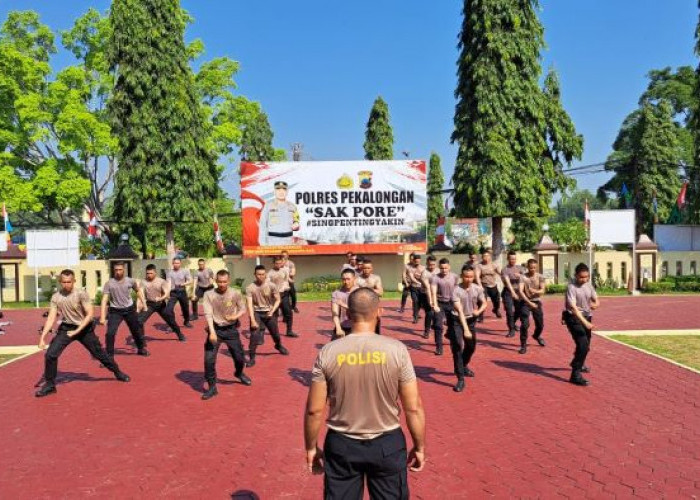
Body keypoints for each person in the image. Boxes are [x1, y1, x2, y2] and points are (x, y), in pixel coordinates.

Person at [304, 288, 426, 499]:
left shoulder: (328, 352)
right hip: (387, 443)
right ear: (379, 312)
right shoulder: (397, 350)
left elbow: (314, 410)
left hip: (342, 445)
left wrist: (311, 447)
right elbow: (413, 407)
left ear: (348, 315)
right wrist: (419, 446)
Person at [35, 269, 130, 397]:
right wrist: (42, 338)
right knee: (50, 355)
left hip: (84, 329)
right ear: (60, 282)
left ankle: (118, 372)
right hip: (67, 328)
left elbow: (90, 314)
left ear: (74, 281)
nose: (66, 284)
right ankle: (50, 386)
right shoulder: (56, 297)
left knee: (100, 355)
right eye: (64, 282)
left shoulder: (81, 294)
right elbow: (51, 318)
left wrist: (77, 330)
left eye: (69, 282)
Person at [201, 269, 252, 400]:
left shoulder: (235, 293)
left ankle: (239, 373)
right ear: (216, 281)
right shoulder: (208, 294)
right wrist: (212, 332)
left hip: (231, 330)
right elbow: (208, 314)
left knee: (240, 358)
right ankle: (212, 387)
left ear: (228, 281)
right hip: (215, 330)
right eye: (219, 281)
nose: (222, 284)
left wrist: (235, 316)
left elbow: (242, 308)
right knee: (209, 360)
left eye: (224, 282)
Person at [100, 262, 149, 358]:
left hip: (129, 310)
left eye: (120, 270)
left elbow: (138, 291)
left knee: (136, 330)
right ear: (114, 270)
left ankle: (141, 349)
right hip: (115, 311)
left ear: (124, 270)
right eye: (116, 270)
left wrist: (144, 303)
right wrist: (102, 317)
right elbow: (104, 299)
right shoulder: (109, 283)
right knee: (110, 333)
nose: (118, 272)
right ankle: (109, 356)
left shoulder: (130, 281)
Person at [563, 263, 600, 387]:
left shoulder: (588, 285)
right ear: (575, 275)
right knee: (583, 344)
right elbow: (573, 308)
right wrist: (586, 323)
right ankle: (575, 374)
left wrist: (596, 304)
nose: (584, 280)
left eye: (586, 277)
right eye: (581, 277)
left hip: (587, 317)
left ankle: (577, 362)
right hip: (573, 318)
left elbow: (596, 299)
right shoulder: (571, 287)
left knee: (585, 346)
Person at [451, 266, 486, 393]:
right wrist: (465, 330)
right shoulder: (456, 290)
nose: (469, 279)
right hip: (457, 321)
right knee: (457, 347)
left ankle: (463, 365)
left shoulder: (477, 288)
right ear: (462, 276)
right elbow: (459, 311)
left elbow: (484, 302)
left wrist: (479, 310)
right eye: (466, 277)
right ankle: (460, 378)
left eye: (471, 277)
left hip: (471, 320)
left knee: (471, 347)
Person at [245, 265, 289, 367]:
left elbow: (278, 300)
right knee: (254, 336)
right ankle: (252, 358)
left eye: (263, 274)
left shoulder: (272, 286)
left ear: (265, 275)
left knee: (276, 335)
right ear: (254, 275)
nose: (261, 276)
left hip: (269, 313)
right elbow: (249, 305)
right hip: (257, 313)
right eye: (258, 274)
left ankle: (278, 346)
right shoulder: (250, 288)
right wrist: (252, 320)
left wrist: (272, 311)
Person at [138, 264, 186, 342]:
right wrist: (142, 303)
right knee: (139, 321)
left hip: (160, 305)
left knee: (171, 321)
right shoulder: (143, 281)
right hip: (149, 304)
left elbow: (166, 294)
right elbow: (141, 293)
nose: (149, 275)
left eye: (151, 273)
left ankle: (180, 334)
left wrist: (160, 298)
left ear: (155, 273)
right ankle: (141, 340)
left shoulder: (161, 281)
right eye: (147, 273)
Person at [429, 258, 459, 357]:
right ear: (439, 268)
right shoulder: (435, 278)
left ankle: (448, 333)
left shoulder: (454, 276)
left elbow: (457, 290)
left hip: (451, 303)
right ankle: (439, 347)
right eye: (442, 268)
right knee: (438, 325)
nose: (444, 270)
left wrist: (457, 304)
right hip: (440, 303)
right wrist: (435, 305)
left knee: (452, 325)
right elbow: (433, 291)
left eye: (446, 268)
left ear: (449, 267)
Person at [518, 259, 547, 354]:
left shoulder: (540, 277)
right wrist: (529, 303)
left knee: (540, 324)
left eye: (534, 267)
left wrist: (534, 291)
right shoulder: (523, 277)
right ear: (527, 267)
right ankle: (523, 345)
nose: (533, 269)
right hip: (525, 302)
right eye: (531, 267)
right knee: (525, 324)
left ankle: (536, 336)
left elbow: (542, 290)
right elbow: (521, 292)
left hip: (537, 302)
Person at [258, 180, 300, 246]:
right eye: (278, 189)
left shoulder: (292, 207)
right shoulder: (268, 206)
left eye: (284, 190)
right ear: (274, 191)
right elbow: (262, 224)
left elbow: (296, 221)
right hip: (272, 242)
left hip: (288, 242)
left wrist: (296, 225)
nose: (281, 192)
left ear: (287, 192)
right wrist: (263, 244)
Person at [356, 259, 384, 334]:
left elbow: (380, 292)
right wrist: (373, 289)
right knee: (361, 329)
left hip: (373, 307)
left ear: (372, 268)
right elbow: (355, 293)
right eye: (365, 268)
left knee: (375, 330)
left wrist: (365, 289)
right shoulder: (357, 279)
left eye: (368, 268)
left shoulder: (376, 278)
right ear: (362, 268)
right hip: (361, 307)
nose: (366, 270)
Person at [475, 249, 502, 321]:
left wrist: (505, 278)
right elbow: (477, 276)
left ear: (490, 257)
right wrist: (480, 286)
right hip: (484, 285)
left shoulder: (494, 264)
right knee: (482, 300)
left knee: (497, 300)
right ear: (482, 257)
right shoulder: (479, 265)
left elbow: (500, 273)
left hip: (493, 285)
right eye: (484, 256)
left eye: (487, 256)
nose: (486, 258)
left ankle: (496, 310)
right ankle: (480, 316)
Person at [331, 268, 358, 338]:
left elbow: (360, 311)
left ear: (354, 278)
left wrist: (344, 305)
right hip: (342, 326)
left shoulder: (360, 292)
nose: (346, 282)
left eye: (348, 279)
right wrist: (338, 328)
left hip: (358, 327)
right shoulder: (336, 294)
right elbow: (334, 313)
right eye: (343, 279)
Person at [166, 258, 193, 328]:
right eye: (175, 263)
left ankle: (186, 321)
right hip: (173, 293)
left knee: (185, 308)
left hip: (182, 292)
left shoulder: (185, 271)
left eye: (178, 263)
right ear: (173, 263)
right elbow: (168, 283)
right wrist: (167, 293)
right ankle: (173, 324)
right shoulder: (169, 273)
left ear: (180, 264)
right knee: (169, 309)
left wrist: (182, 284)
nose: (176, 264)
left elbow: (190, 281)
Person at [501, 251, 522, 338]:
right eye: (511, 259)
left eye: (514, 259)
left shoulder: (520, 268)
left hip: (519, 292)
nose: (513, 260)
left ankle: (512, 323)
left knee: (519, 310)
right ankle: (511, 330)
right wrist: (513, 293)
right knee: (509, 312)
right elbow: (507, 282)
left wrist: (521, 276)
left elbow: (527, 278)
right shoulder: (505, 270)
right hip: (508, 292)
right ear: (508, 259)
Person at [407, 254, 426, 324]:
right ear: (413, 261)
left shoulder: (424, 268)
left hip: (421, 289)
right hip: (413, 288)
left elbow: (425, 277)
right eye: (416, 261)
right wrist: (419, 282)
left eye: (418, 261)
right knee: (415, 301)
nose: (417, 262)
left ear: (420, 260)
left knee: (420, 304)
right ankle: (415, 317)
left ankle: (417, 314)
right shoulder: (410, 268)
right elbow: (412, 278)